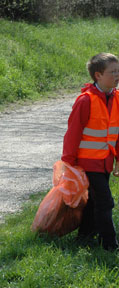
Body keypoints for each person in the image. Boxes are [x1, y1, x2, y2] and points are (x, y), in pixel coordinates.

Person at [62, 52, 119, 251]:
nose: (117, 75)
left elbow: (116, 132)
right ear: (98, 75)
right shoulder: (85, 101)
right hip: (87, 163)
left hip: (105, 162)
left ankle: (85, 237)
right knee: (105, 202)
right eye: (113, 72)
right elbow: (73, 133)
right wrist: (68, 163)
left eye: (118, 71)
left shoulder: (116, 98)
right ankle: (110, 245)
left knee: (94, 200)